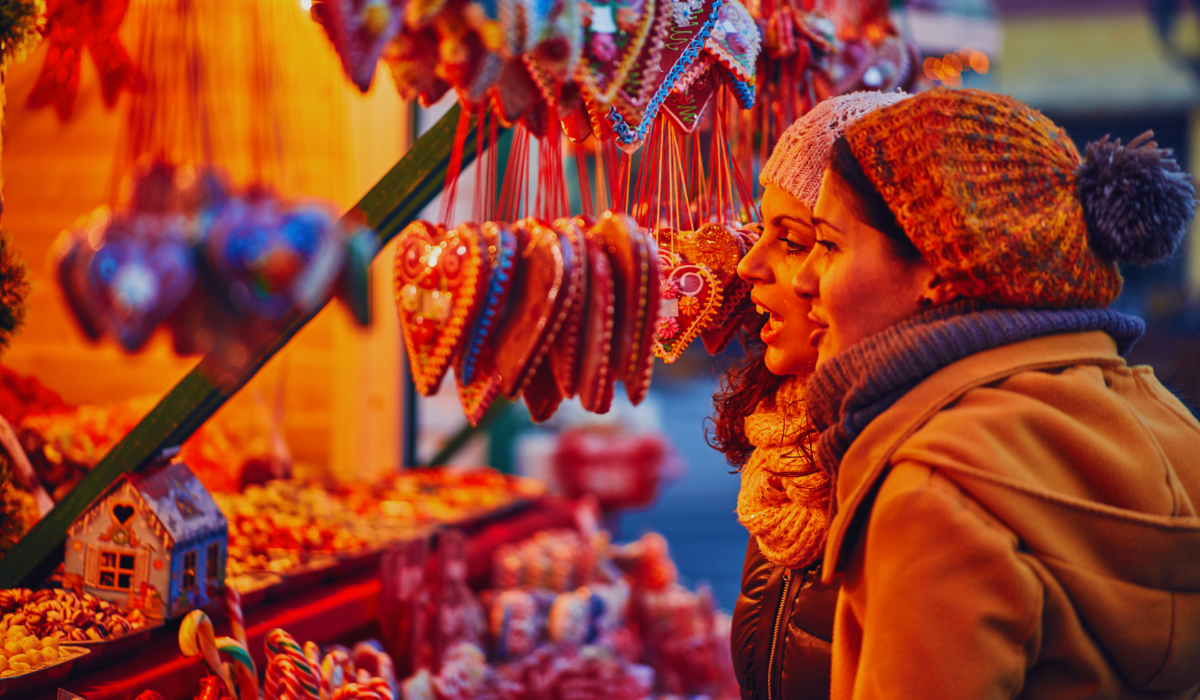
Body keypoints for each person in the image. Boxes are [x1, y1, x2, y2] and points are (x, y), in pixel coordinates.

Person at [792, 87, 1200, 698]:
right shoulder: (1167, 420)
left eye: (827, 244)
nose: (804, 279)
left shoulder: (934, 494)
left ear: (937, 266)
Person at [708, 91, 908, 700]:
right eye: (762, 231)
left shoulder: (909, 472)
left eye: (796, 241)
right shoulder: (785, 457)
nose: (749, 266)